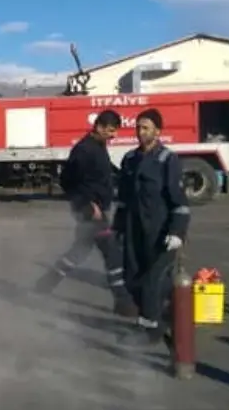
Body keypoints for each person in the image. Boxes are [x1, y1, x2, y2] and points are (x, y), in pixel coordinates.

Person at [36, 109, 134, 316]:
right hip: (90, 213)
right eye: (110, 130)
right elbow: (68, 182)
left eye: (115, 131)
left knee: (79, 251)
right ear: (98, 127)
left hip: (97, 210)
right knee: (112, 252)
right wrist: (88, 205)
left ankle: (45, 284)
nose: (113, 135)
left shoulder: (99, 147)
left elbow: (105, 173)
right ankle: (123, 302)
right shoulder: (83, 151)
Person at [112, 108, 191, 346]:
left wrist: (177, 232)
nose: (140, 131)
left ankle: (151, 329)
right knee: (132, 279)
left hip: (161, 232)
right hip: (135, 230)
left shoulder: (167, 160)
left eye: (145, 127)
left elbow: (179, 200)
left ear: (158, 131)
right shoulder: (129, 159)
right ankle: (168, 316)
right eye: (138, 127)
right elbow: (124, 199)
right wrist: (118, 228)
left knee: (152, 282)